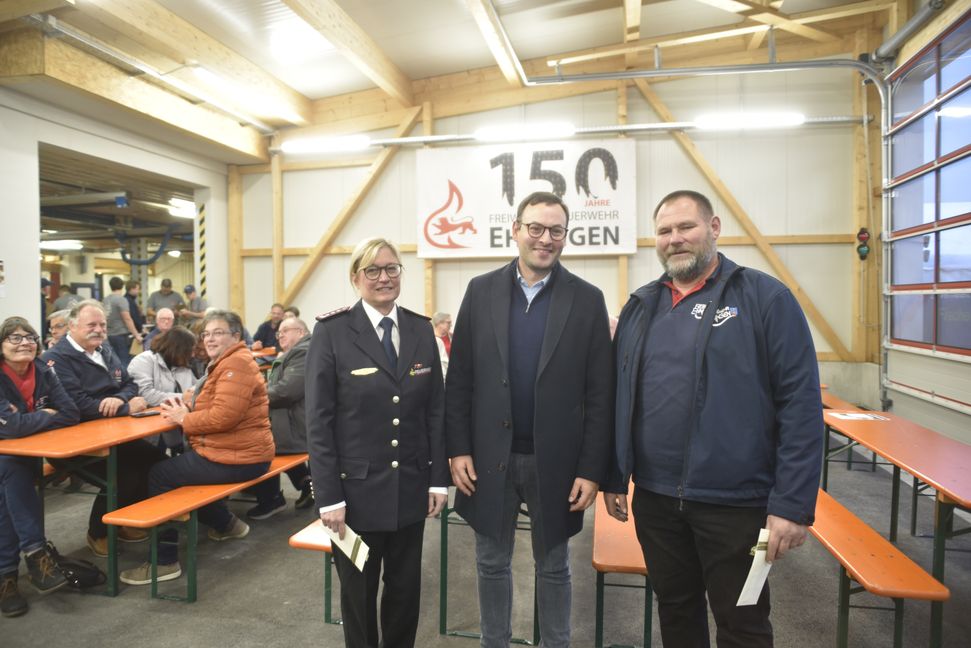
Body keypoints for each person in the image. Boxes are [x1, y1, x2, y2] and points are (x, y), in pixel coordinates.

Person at [602, 190, 823, 647]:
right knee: (676, 611)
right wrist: (614, 474)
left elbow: (800, 405)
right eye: (664, 231)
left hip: (737, 504)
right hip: (658, 501)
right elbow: (619, 398)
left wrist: (792, 504)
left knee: (742, 623)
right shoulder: (642, 307)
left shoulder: (765, 298)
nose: (675, 238)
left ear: (715, 228)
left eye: (686, 227)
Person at [445, 191, 613, 648]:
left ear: (565, 236)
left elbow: (601, 395)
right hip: (487, 456)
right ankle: (493, 642)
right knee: (491, 561)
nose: (545, 238)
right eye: (535, 228)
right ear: (515, 230)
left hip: (555, 462)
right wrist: (457, 448)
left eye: (556, 230)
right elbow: (459, 378)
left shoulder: (586, 299)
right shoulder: (480, 291)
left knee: (555, 566)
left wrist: (591, 470)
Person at [306, 237, 448, 648]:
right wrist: (328, 497)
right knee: (358, 596)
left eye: (391, 269)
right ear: (356, 278)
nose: (383, 278)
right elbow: (319, 422)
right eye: (373, 270)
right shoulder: (332, 333)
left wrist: (437, 480)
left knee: (405, 594)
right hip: (354, 497)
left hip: (410, 490)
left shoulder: (421, 329)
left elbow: (434, 412)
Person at [119, 310, 274, 586]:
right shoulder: (230, 361)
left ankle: (164, 561)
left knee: (160, 474)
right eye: (207, 334)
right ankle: (227, 524)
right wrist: (190, 405)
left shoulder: (234, 365)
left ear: (236, 336)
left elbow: (223, 417)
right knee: (183, 469)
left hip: (239, 457)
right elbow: (221, 408)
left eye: (218, 332)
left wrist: (184, 418)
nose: (210, 338)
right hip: (237, 452)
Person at [41, 300, 166, 557]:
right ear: (72, 326)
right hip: (72, 442)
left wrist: (121, 399)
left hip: (112, 432)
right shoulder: (55, 359)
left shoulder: (104, 349)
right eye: (91, 324)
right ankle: (98, 532)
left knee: (155, 460)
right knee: (122, 475)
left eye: (102, 325)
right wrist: (126, 407)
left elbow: (129, 383)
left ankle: (122, 521)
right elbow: (76, 405)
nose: (98, 330)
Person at [0, 317, 78, 617]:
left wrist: (25, 421)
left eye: (29, 337)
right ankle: (35, 553)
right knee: (10, 466)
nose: (24, 343)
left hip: (22, 454)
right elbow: (11, 427)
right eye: (14, 338)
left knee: (9, 477)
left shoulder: (44, 370)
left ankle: (7, 577)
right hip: (15, 455)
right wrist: (45, 414)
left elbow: (70, 412)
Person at [247, 317, 314, 520]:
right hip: (296, 424)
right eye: (279, 333)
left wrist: (251, 398)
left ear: (301, 332)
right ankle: (305, 482)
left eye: (286, 330)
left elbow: (286, 392)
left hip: (298, 427)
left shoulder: (303, 352)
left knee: (256, 445)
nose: (280, 335)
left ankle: (270, 499)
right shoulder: (296, 352)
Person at [127, 327, 198, 453]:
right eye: (190, 351)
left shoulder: (183, 365)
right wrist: (182, 397)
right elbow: (146, 395)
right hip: (148, 431)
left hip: (176, 426)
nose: (193, 355)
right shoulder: (143, 360)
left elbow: (196, 388)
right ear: (178, 349)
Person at [103, 276, 143, 365]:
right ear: (122, 286)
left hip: (109, 335)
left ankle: (116, 378)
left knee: (113, 361)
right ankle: (123, 378)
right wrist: (136, 335)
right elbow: (127, 318)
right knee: (123, 361)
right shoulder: (121, 300)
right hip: (120, 335)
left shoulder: (105, 300)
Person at [431, 311, 451, 379]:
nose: (451, 325)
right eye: (448, 323)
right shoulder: (431, 339)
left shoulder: (453, 337)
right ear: (439, 323)